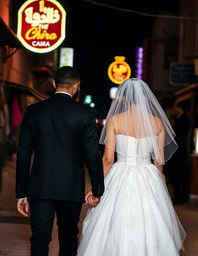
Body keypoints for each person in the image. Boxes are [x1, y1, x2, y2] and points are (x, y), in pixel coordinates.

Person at [77, 78, 186, 256]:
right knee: (151, 222)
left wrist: (96, 188)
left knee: (111, 224)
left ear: (125, 99)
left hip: (120, 173)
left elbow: (107, 159)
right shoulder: (157, 123)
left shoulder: (114, 121)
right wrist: (157, 186)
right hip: (148, 174)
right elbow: (159, 162)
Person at [16, 66, 105, 256]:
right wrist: (97, 189)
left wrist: (21, 193)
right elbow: (92, 154)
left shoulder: (33, 111)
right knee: (69, 237)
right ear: (76, 87)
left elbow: (24, 154)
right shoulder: (85, 114)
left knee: (39, 238)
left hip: (39, 186)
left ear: (54, 84)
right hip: (70, 186)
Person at [165, 102, 190, 205]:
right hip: (179, 152)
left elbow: (178, 136)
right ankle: (180, 196)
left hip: (179, 152)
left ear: (179, 107)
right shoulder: (179, 119)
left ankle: (181, 197)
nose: (173, 109)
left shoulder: (183, 119)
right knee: (179, 175)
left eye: (174, 106)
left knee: (178, 175)